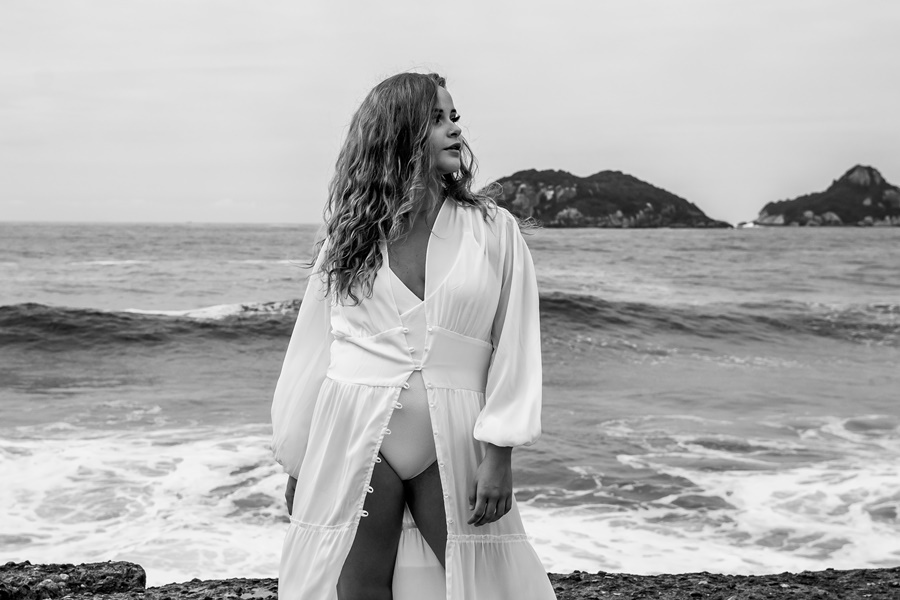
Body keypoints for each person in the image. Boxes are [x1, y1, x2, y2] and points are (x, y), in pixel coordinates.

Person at [270, 72, 556, 600]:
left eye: (454, 117)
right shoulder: (348, 234)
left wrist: (501, 451)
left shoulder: (493, 228)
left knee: (479, 585)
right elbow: (313, 350)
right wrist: (299, 459)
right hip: (354, 428)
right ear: (398, 131)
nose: (453, 129)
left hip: (457, 429)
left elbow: (515, 343)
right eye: (436, 118)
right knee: (357, 589)